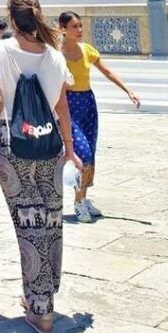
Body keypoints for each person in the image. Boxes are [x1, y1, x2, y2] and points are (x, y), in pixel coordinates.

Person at [0, 0, 82, 333]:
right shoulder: (54, 57)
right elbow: (62, 107)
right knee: (52, 219)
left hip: (12, 143)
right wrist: (70, 148)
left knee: (29, 223)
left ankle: (41, 306)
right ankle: (45, 291)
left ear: (12, 19)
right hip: (50, 142)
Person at [58, 11, 141, 222]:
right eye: (74, 26)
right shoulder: (57, 54)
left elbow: (107, 72)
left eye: (80, 26)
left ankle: (83, 198)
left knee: (90, 154)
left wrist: (128, 90)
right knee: (82, 153)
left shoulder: (87, 50)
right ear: (63, 29)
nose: (79, 30)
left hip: (87, 103)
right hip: (69, 106)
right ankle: (77, 202)